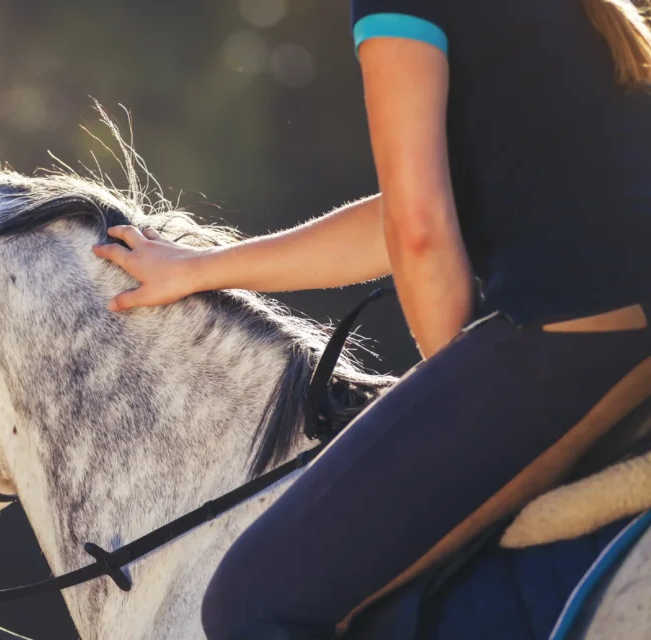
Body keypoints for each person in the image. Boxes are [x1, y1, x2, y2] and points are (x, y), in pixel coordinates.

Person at [92, 1, 651, 638]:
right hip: (617, 320)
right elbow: (408, 215)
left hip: (574, 334)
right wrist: (202, 268)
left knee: (251, 603)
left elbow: (419, 231)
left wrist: (444, 397)